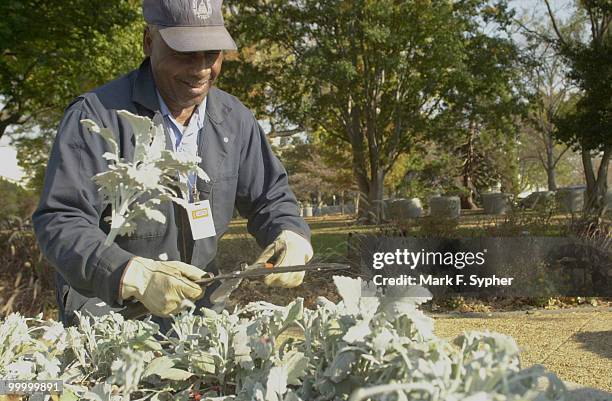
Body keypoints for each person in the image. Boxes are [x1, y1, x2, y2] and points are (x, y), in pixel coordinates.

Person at [32, 0, 312, 329]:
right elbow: (60, 221)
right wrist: (131, 274)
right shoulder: (95, 116)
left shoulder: (234, 119)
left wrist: (290, 233)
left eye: (212, 53)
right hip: (109, 315)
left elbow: (270, 195)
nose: (201, 69)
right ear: (149, 42)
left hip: (197, 313)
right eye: (185, 53)